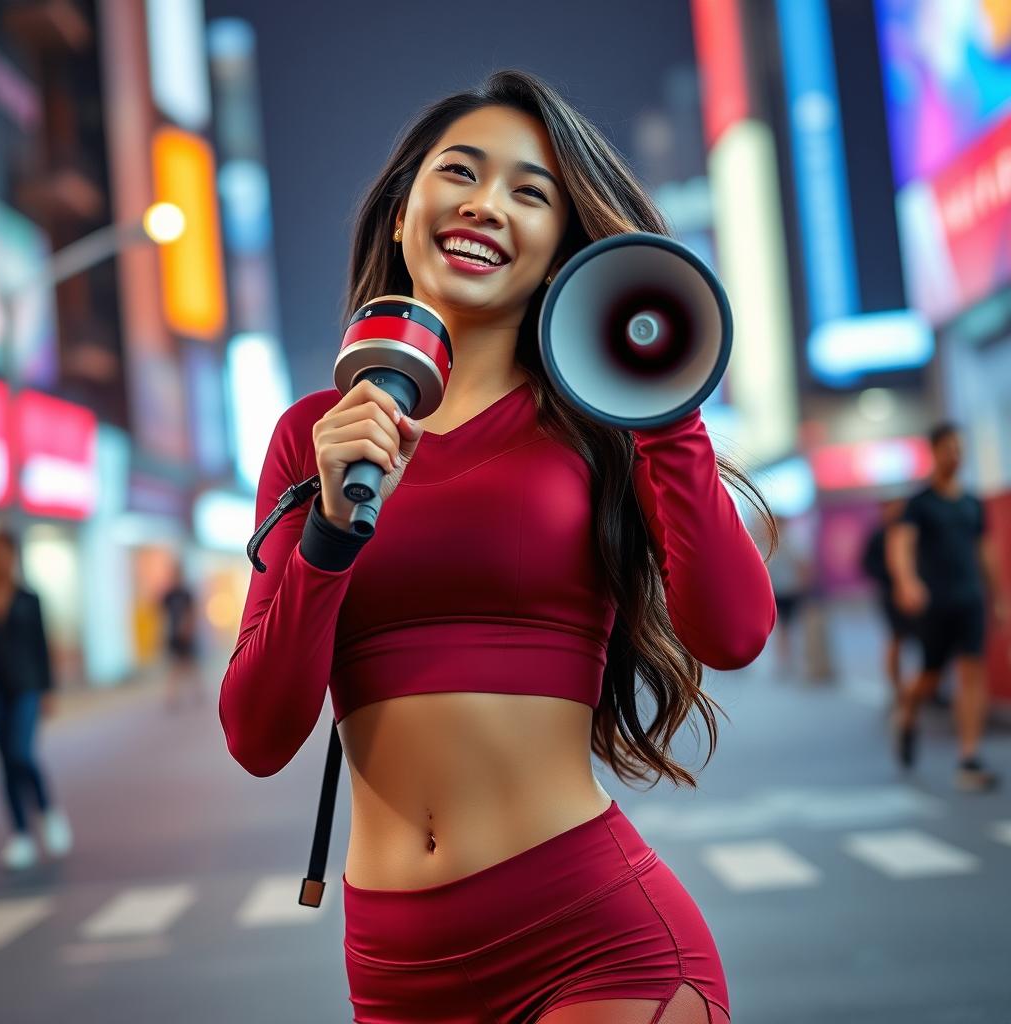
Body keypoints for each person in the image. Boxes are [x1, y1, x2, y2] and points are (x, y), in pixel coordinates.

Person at [219, 70, 777, 1024]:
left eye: (531, 192)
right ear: (403, 213)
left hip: (595, 943)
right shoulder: (313, 435)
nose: (488, 204)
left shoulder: (604, 428)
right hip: (395, 969)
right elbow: (259, 735)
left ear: (561, 242)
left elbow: (732, 632)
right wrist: (331, 537)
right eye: (461, 173)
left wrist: (663, 404)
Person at [888, 423, 1010, 792]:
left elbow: (985, 551)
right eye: (949, 448)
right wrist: (907, 582)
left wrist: (1000, 597)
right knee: (931, 677)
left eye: (960, 448)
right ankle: (907, 714)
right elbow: (901, 545)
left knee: (973, 673)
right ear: (935, 451)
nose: (956, 454)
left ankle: (968, 756)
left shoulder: (972, 503)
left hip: (970, 600)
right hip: (934, 603)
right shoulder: (920, 503)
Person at [0, 528, 73, 871]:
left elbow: (41, 647)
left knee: (22, 752)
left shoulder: (29, 598)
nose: (1, 560)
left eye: (7, 553)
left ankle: (48, 810)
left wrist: (48, 689)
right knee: (5, 761)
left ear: (15, 558)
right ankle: (21, 835)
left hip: (26, 687)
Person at [861, 498, 919, 709]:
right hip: (890, 595)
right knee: (896, 640)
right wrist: (891, 579)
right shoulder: (878, 535)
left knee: (922, 641)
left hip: (915, 594)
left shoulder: (911, 530)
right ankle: (896, 688)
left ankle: (923, 687)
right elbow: (867, 564)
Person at [766, 516, 813, 675]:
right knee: (784, 628)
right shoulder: (775, 542)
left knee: (788, 627)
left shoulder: (788, 542)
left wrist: (803, 585)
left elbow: (802, 565)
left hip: (788, 590)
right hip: (781, 590)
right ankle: (786, 662)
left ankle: (791, 662)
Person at [160, 561, 203, 712]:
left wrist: (189, 628)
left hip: (186, 635)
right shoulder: (168, 595)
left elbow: (192, 613)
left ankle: (197, 692)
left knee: (190, 664)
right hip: (173, 635)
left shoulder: (186, 594)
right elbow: (162, 615)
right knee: (176, 666)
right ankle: (172, 697)